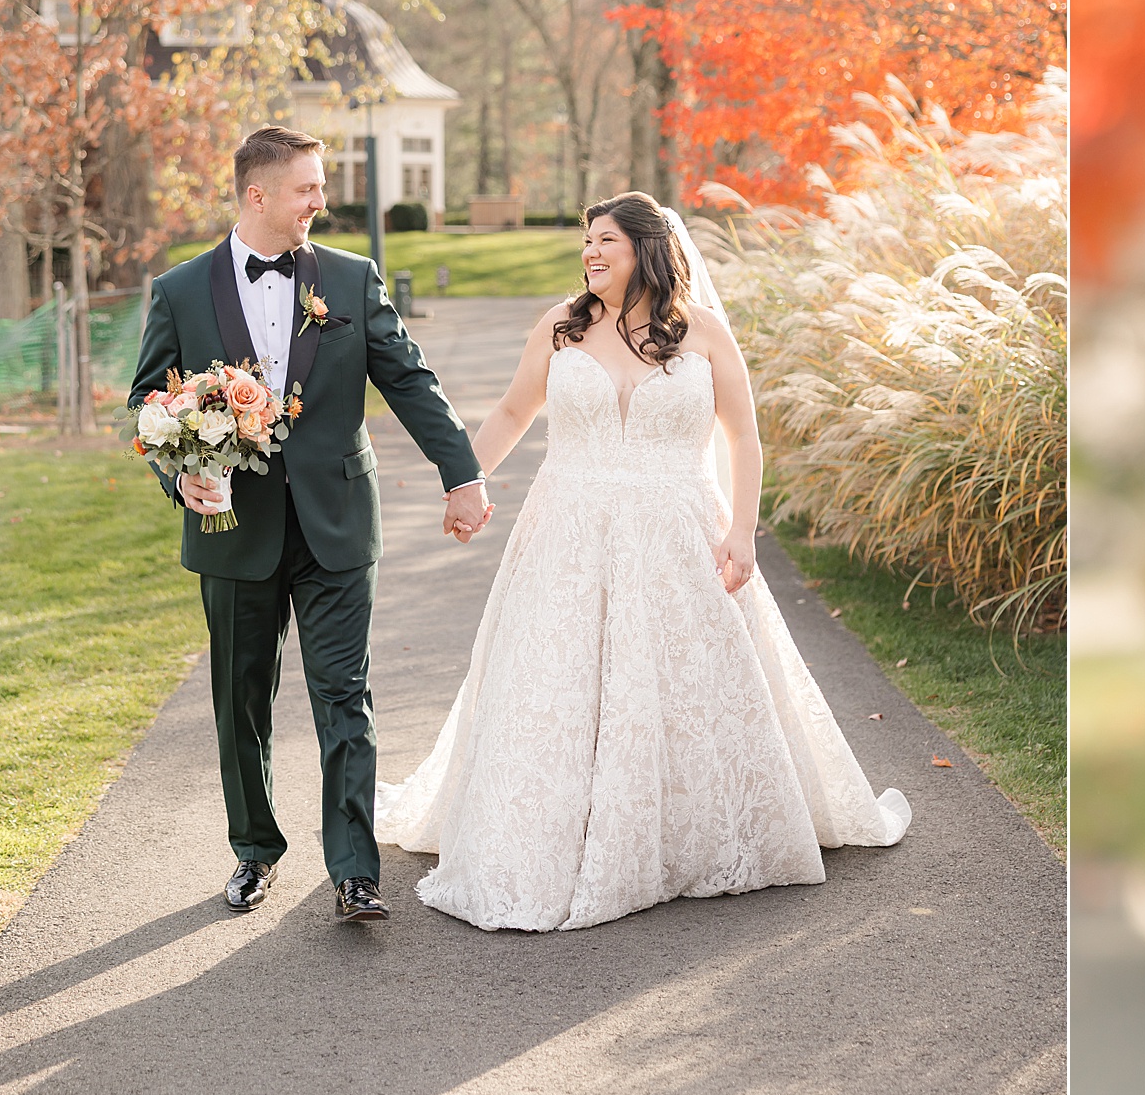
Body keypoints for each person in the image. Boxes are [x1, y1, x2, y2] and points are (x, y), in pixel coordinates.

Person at [374, 191, 910, 931]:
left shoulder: (706, 334)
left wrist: (743, 530)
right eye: (586, 242)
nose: (591, 253)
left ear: (647, 248)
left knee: (675, 680)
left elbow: (745, 439)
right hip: (569, 527)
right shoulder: (562, 328)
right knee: (561, 677)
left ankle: (679, 829)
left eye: (606, 241)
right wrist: (468, 483)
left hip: (678, 531)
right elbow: (508, 414)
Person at [129, 125, 493, 923]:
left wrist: (460, 472)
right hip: (232, 529)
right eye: (307, 189)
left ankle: (355, 871)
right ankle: (254, 851)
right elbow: (147, 400)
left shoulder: (352, 279)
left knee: (345, 695)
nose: (322, 201)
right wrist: (181, 469)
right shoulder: (181, 291)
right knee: (241, 699)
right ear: (257, 194)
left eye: (322, 186)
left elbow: (411, 380)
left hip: (336, 523)